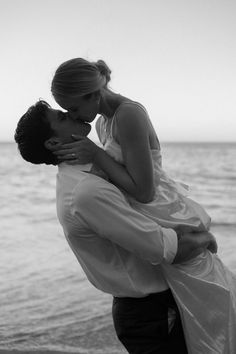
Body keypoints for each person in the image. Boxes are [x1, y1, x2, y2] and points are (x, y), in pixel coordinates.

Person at [50, 58, 236, 353]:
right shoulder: (102, 122)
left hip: (163, 211)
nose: (75, 117)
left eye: (73, 108)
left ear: (94, 93)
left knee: (207, 322)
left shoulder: (129, 114)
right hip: (150, 221)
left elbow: (144, 190)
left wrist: (96, 156)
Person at [14, 100, 218, 354]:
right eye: (61, 117)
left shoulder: (92, 176)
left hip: (151, 310)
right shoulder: (86, 191)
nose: (69, 112)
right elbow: (164, 248)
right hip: (150, 317)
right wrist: (204, 238)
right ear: (54, 143)